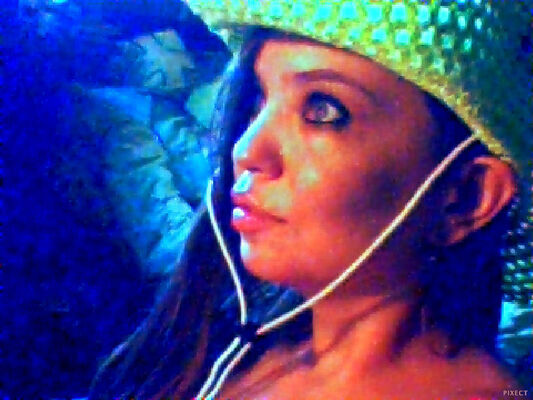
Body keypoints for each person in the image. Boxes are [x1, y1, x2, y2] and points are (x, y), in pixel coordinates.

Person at [89, 1, 532, 399]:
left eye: (322, 111)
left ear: (466, 198)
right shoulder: (213, 343)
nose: (245, 151)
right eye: (257, 101)